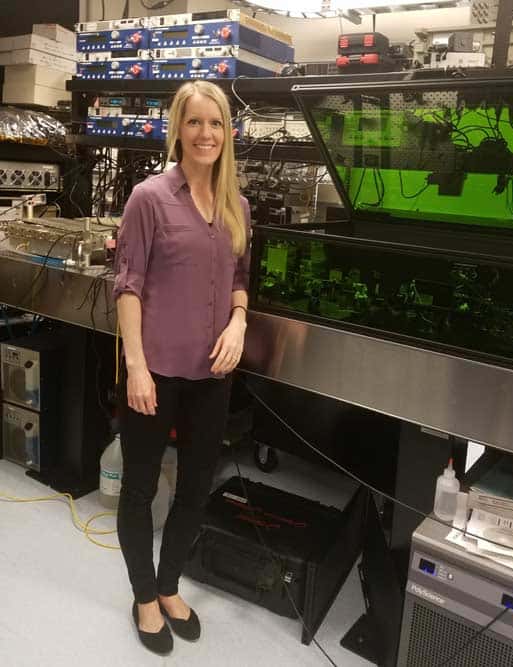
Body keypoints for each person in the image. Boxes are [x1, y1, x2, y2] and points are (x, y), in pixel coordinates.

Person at [112, 79, 251, 656]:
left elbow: (241, 280)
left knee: (196, 486)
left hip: (210, 375)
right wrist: (136, 367)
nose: (205, 134)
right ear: (177, 129)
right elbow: (127, 286)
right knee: (141, 488)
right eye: (194, 123)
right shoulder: (149, 198)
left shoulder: (236, 204)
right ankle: (144, 596)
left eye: (215, 124)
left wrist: (240, 322)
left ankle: (169, 585)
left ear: (228, 133)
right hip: (157, 370)